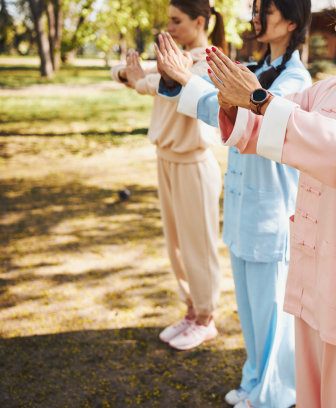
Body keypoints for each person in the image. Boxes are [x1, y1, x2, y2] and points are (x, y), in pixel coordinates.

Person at [202, 0, 336, 405]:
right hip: (308, 263)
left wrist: (258, 99)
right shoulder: (326, 89)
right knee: (309, 394)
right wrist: (231, 98)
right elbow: (256, 130)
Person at [154, 1, 312, 407]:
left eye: (267, 11)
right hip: (244, 211)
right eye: (256, 10)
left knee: (272, 314)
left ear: (292, 21)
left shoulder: (295, 78)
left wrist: (191, 83)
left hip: (271, 213)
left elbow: (254, 122)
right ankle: (254, 380)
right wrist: (181, 79)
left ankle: (274, 395)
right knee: (251, 314)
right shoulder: (256, 72)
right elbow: (214, 107)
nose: (257, 18)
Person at [110, 0, 226, 351]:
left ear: (200, 21)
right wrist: (128, 75)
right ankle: (191, 310)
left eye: (177, 21)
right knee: (175, 245)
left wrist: (140, 80)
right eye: (169, 20)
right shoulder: (171, 60)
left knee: (198, 245)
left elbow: (170, 85)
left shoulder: (209, 62)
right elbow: (123, 70)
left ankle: (206, 318)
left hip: (193, 162)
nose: (170, 28)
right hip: (166, 158)